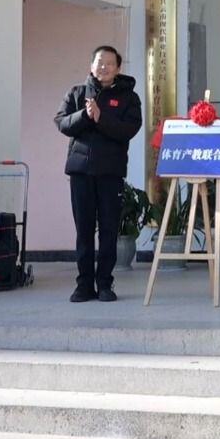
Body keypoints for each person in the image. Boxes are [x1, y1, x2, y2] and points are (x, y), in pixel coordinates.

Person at [55, 46, 142, 303]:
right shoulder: (76, 93)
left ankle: (105, 283)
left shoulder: (129, 98)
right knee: (83, 230)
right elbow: (62, 123)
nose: (103, 67)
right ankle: (83, 284)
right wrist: (85, 115)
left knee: (108, 229)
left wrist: (101, 117)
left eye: (109, 63)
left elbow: (128, 130)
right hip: (80, 172)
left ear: (118, 68)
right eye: (99, 62)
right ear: (91, 66)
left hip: (110, 173)